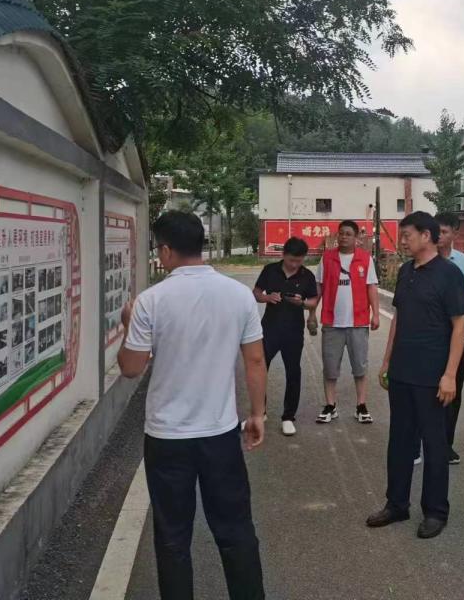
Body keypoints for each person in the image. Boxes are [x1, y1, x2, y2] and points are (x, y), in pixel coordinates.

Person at [118, 211, 267, 600]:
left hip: (167, 437)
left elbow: (131, 368)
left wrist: (127, 324)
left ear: (166, 250)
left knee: (172, 538)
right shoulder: (238, 294)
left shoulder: (150, 301)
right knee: (235, 529)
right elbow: (254, 360)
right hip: (220, 433)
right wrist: (257, 414)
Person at [367, 211, 464, 539]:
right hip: (402, 372)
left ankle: (435, 511)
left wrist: (450, 374)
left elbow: (459, 326)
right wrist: (386, 361)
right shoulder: (406, 271)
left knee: (434, 445)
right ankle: (396, 504)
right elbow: (398, 318)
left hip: (432, 375)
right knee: (400, 441)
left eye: (407, 234)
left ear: (426, 236)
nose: (402, 241)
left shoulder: (449, 274)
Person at [309, 219, 381, 424]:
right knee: (330, 368)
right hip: (332, 323)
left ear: (356, 237)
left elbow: (371, 287)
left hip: (358, 322)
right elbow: (318, 287)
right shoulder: (327, 258)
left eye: (348, 234)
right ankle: (330, 406)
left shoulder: (365, 259)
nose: (343, 237)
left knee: (360, 367)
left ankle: (361, 406)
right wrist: (312, 313)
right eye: (341, 233)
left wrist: (376, 314)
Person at [252, 237, 318, 437]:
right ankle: (260, 411)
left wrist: (302, 303)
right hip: (269, 329)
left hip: (293, 331)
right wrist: (267, 297)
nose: (295, 264)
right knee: (260, 369)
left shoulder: (307, 276)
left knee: (293, 372)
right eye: (291, 260)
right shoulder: (270, 270)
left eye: (299, 261)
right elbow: (256, 292)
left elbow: (313, 301)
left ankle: (288, 417)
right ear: (283, 255)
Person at [435, 212, 464, 464]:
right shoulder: (424, 260)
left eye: (444, 231)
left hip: (460, 337)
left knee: (453, 391)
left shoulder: (463, 261)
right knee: (428, 389)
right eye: (436, 231)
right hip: (433, 338)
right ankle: (425, 440)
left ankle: (446, 444)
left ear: (454, 233)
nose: (439, 236)